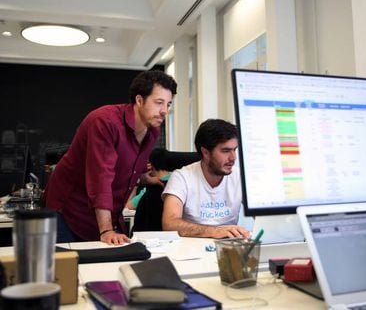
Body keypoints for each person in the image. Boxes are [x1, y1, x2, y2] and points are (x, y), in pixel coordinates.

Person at [43, 70, 177, 245]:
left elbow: (130, 165)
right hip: (68, 209)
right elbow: (101, 177)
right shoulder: (104, 122)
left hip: (106, 212)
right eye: (159, 103)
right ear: (139, 100)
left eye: (168, 104)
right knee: (68, 268)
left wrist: (145, 177)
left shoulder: (152, 130)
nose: (164, 111)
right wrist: (106, 230)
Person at [162, 119, 250, 239]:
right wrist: (214, 231)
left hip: (229, 249)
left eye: (234, 150)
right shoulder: (181, 177)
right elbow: (169, 224)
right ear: (206, 152)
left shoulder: (240, 176)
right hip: (191, 251)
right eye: (225, 151)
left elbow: (264, 216)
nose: (233, 158)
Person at [126, 148, 171, 233]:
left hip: (150, 237)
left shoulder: (149, 189)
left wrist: (136, 181)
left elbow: (127, 207)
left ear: (150, 165)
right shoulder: (177, 183)